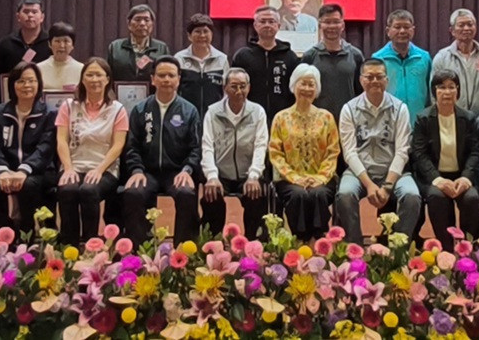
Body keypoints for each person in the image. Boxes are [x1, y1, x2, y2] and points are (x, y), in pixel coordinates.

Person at [336, 59, 420, 244]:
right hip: (359, 171)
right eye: (369, 77)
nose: (374, 81)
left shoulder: (400, 108)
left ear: (387, 80)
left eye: (379, 77)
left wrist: (388, 185)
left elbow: (402, 151)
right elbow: (349, 152)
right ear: (361, 80)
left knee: (412, 196)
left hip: (392, 170)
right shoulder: (349, 109)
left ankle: (398, 247)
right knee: (345, 194)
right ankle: (355, 246)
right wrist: (369, 184)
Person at [120, 56, 202, 245]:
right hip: (147, 172)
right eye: (161, 75)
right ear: (153, 79)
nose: (166, 80)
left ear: (178, 79)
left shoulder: (189, 111)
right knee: (133, 193)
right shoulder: (140, 109)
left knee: (186, 194)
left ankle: (184, 250)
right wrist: (137, 170)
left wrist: (187, 170)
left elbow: (195, 148)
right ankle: (140, 249)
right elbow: (132, 146)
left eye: (171, 75)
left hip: (177, 172)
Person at [55, 58, 128, 244]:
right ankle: (68, 246)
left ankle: (91, 245)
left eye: (99, 75)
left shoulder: (117, 109)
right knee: (67, 190)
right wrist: (68, 168)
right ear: (82, 79)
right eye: (89, 75)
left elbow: (118, 145)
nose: (94, 79)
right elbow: (62, 140)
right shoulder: (68, 106)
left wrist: (99, 170)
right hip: (74, 165)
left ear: (107, 79)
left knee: (89, 190)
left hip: (105, 169)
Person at [411, 69, 479, 251]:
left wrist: (466, 178)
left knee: (472, 198)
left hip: (461, 175)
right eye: (441, 87)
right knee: (437, 196)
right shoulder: (423, 118)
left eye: (452, 87)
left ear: (458, 91)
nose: (447, 92)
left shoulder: (468, 118)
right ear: (434, 91)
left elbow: (475, 152)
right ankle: (447, 248)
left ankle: (467, 247)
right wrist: (437, 180)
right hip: (435, 176)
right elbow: (419, 154)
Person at [0, 61, 57, 236]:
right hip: (6, 169)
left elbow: (45, 147)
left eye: (31, 81)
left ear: (39, 84)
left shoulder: (49, 113)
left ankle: (27, 234)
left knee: (28, 185)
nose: (27, 85)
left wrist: (24, 170)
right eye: (21, 81)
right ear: (12, 85)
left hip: (38, 171)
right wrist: (2, 170)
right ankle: (6, 234)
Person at [269, 64, 340, 241]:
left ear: (317, 89)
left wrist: (320, 178)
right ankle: (299, 239)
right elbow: (275, 154)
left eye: (311, 84)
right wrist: (295, 178)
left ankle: (318, 238)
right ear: (294, 85)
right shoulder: (281, 118)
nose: (307, 89)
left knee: (318, 193)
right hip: (289, 180)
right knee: (298, 194)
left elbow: (333, 152)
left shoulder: (326, 117)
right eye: (303, 83)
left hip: (322, 178)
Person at [201, 68, 268, 239]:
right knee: (211, 196)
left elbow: (261, 146)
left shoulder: (257, 112)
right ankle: (213, 242)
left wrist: (254, 175)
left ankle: (253, 243)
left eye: (243, 86)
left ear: (249, 88)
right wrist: (212, 176)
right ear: (225, 88)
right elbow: (207, 147)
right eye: (234, 86)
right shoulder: (212, 113)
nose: (239, 91)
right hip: (220, 174)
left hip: (248, 174)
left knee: (257, 196)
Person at [231, 6, 300, 122]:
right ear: (255, 25)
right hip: (249, 118)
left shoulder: (290, 56)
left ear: (278, 25)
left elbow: (296, 89)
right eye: (262, 21)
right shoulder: (242, 56)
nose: (267, 25)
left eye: (271, 21)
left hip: (283, 119)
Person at [300, 3, 364, 119]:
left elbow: (361, 92)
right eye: (327, 22)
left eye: (336, 22)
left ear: (342, 25)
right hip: (317, 121)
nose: (332, 26)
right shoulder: (309, 56)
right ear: (320, 25)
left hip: (348, 120)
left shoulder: (355, 55)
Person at [432, 8, 479, 113]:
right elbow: (434, 94)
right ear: (452, 31)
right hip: (451, 118)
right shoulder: (441, 58)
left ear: (475, 28)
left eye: (470, 24)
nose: (466, 28)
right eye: (461, 25)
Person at [372, 9, 432, 120]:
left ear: (413, 30)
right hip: (388, 122)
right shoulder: (378, 59)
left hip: (419, 121)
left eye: (406, 27)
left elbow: (431, 92)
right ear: (388, 31)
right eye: (397, 27)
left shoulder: (424, 57)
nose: (402, 31)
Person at [0, 0, 51, 102]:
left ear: (42, 17)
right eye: (26, 12)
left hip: (43, 103)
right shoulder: (5, 44)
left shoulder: (51, 44)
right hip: (11, 102)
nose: (30, 15)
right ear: (18, 16)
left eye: (34, 12)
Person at [175, 14, 229, 117]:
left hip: (214, 116)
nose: (202, 35)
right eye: (197, 31)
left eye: (205, 31)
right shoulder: (179, 59)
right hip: (186, 116)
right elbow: (174, 90)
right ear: (189, 36)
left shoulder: (222, 59)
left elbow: (226, 91)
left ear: (211, 34)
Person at [107, 4, 170, 83]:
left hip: (152, 90)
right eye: (137, 20)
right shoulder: (115, 47)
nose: (142, 23)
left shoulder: (162, 48)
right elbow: (108, 75)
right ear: (129, 24)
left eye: (146, 20)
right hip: (121, 90)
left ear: (152, 24)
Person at [36, 22, 84, 91]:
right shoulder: (39, 69)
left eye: (66, 41)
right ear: (49, 44)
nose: (61, 46)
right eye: (57, 41)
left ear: (72, 45)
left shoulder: (81, 69)